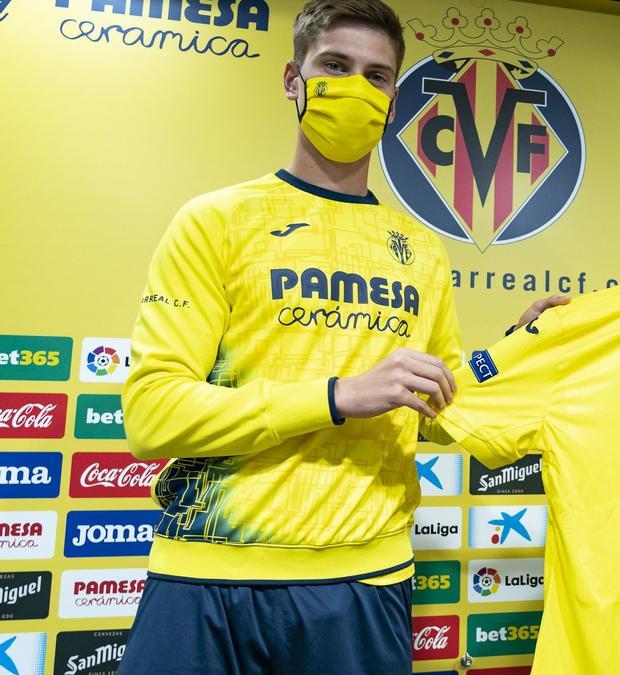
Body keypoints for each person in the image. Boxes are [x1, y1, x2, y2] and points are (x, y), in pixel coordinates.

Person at [118, 1, 461, 671]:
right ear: (291, 78)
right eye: (334, 66)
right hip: (207, 579)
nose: (357, 88)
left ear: (394, 96)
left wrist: (533, 344)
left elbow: (445, 409)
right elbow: (151, 414)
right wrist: (336, 396)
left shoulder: (423, 250)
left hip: (364, 585)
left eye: (378, 75)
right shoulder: (215, 221)